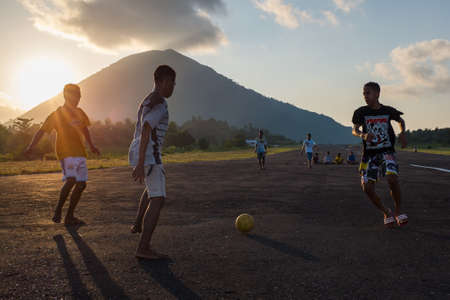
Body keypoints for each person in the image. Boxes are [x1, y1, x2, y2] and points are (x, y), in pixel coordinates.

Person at [24, 84, 100, 225]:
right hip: (65, 151)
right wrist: (31, 146)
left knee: (82, 184)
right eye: (75, 95)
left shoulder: (80, 112)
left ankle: (69, 216)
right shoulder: (57, 114)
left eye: (79, 96)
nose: (78, 99)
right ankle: (58, 210)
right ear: (66, 96)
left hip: (80, 152)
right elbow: (42, 131)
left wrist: (92, 145)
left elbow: (85, 130)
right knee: (71, 179)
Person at [129, 65, 176, 260]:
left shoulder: (147, 99)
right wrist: (141, 162)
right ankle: (144, 248)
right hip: (149, 153)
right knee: (159, 198)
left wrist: (139, 159)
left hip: (140, 150)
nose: (173, 87)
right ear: (161, 81)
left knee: (151, 190)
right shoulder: (160, 103)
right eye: (171, 83)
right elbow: (147, 128)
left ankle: (139, 223)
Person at [352, 82, 408, 227]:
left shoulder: (388, 110)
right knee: (367, 188)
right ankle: (386, 211)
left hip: (386, 152)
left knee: (392, 179)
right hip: (369, 155)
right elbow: (355, 130)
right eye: (364, 93)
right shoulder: (360, 112)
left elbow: (400, 120)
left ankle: (398, 212)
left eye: (368, 93)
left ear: (377, 93)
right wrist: (363, 135)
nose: (365, 96)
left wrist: (402, 133)